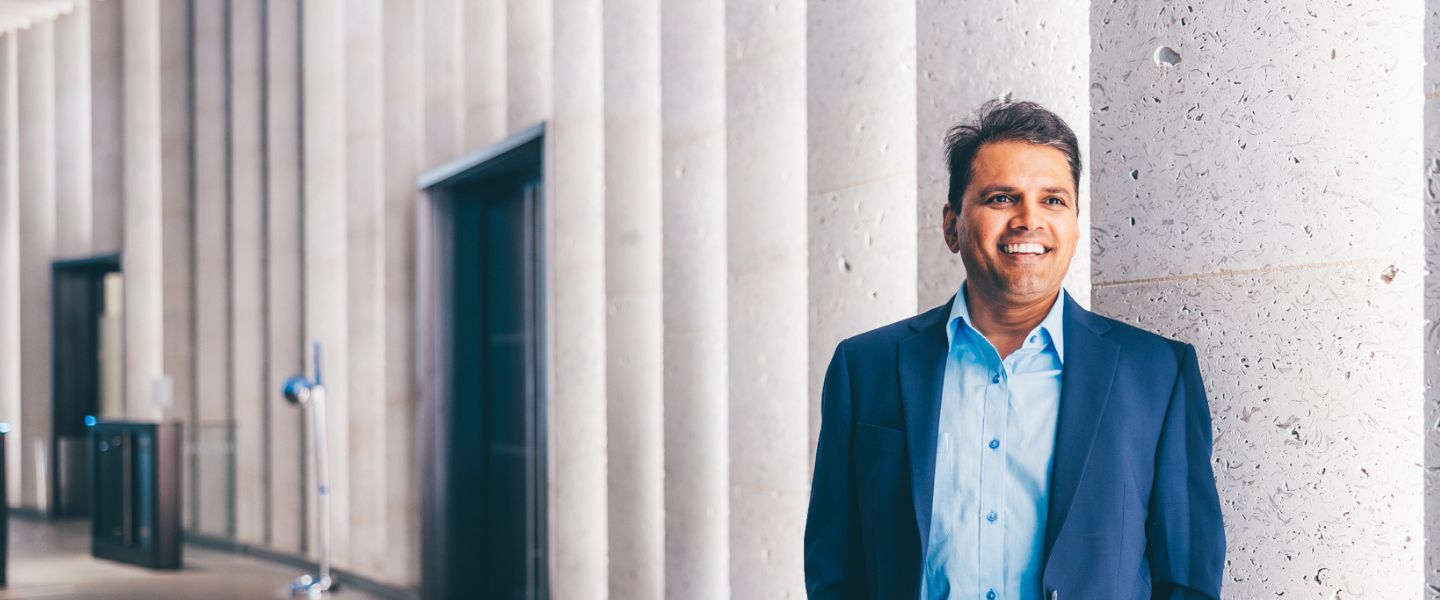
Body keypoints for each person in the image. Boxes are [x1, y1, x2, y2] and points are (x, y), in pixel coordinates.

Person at [803, 100, 1225, 599]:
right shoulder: (866, 368)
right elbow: (835, 570)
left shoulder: (1156, 375)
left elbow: (1188, 578)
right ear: (951, 225)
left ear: (1074, 223)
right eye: (1002, 198)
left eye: (1053, 200)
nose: (1029, 221)